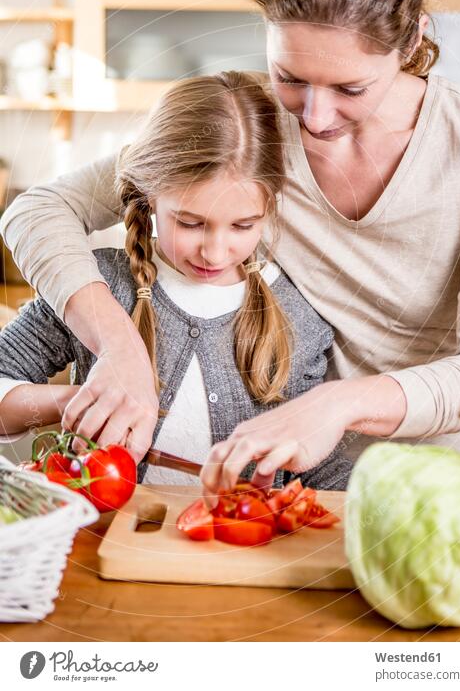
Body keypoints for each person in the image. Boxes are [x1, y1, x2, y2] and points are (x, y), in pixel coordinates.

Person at [2, 0, 460, 502]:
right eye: (291, 77)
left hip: (438, 476)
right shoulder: (249, 127)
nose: (314, 117)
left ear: (413, 39)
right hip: (294, 481)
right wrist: (121, 349)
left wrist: (338, 404)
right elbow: (36, 209)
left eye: (350, 88)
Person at [0, 71, 352, 491]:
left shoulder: (298, 313)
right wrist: (80, 402)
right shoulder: (100, 285)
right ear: (149, 196)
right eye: (190, 222)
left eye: (243, 225)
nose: (215, 252)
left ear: (271, 206)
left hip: (248, 553)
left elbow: (315, 467)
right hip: (105, 549)